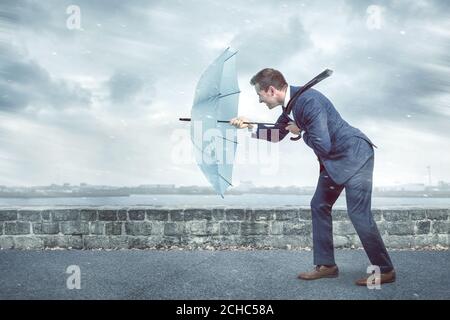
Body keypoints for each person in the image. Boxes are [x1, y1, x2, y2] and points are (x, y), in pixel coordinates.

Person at [230, 68, 395, 286]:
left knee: (358, 214)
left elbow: (323, 145)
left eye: (259, 95)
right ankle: (327, 265)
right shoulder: (289, 108)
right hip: (334, 161)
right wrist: (249, 127)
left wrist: (301, 132)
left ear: (271, 90)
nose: (260, 101)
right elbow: (277, 134)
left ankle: (385, 270)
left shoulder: (308, 102)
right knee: (319, 205)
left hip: (355, 156)